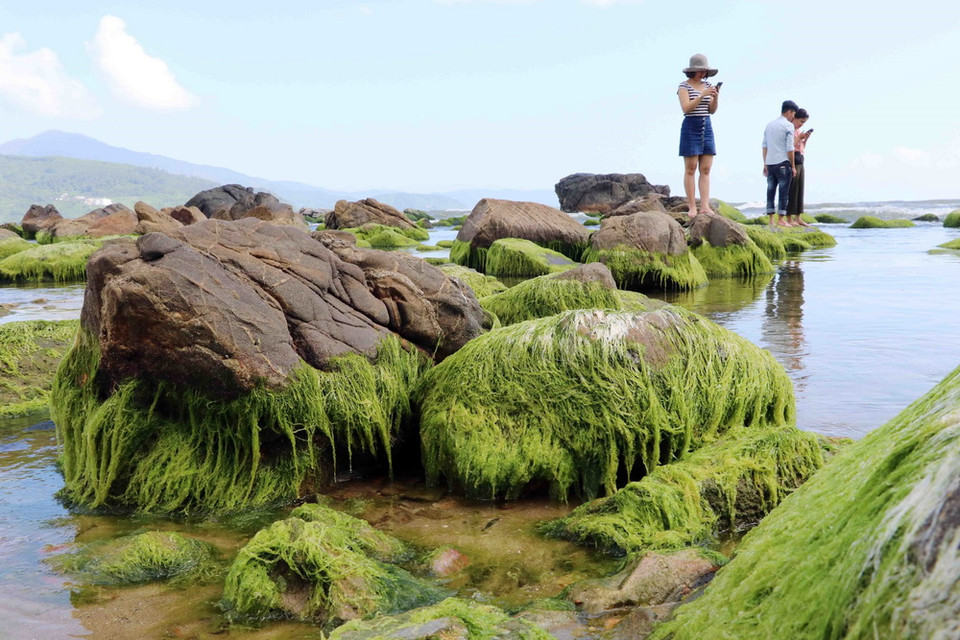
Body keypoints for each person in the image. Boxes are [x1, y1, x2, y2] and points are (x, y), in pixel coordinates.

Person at [678, 54, 721, 218]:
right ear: (693, 71)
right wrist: (702, 95)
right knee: (690, 168)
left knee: (706, 168)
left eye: (705, 72)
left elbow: (712, 110)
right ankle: (692, 207)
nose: (703, 74)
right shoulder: (683, 86)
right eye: (700, 71)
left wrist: (715, 98)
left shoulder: (708, 85)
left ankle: (704, 206)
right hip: (691, 126)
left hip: (706, 125)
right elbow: (686, 108)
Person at [762, 100, 798, 226]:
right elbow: (790, 148)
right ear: (789, 112)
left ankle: (771, 220)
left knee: (770, 191)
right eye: (793, 114)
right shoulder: (788, 126)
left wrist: (765, 163)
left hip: (770, 162)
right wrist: (793, 166)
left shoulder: (770, 125)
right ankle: (781, 220)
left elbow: (764, 146)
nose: (793, 117)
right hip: (783, 162)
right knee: (783, 192)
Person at [787, 108, 813, 226]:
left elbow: (801, 147)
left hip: (800, 159)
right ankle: (788, 218)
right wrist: (799, 138)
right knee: (792, 190)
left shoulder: (798, 131)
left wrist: (805, 139)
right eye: (801, 121)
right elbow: (790, 146)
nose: (802, 124)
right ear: (795, 118)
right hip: (793, 160)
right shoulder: (790, 129)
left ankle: (798, 217)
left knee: (799, 190)